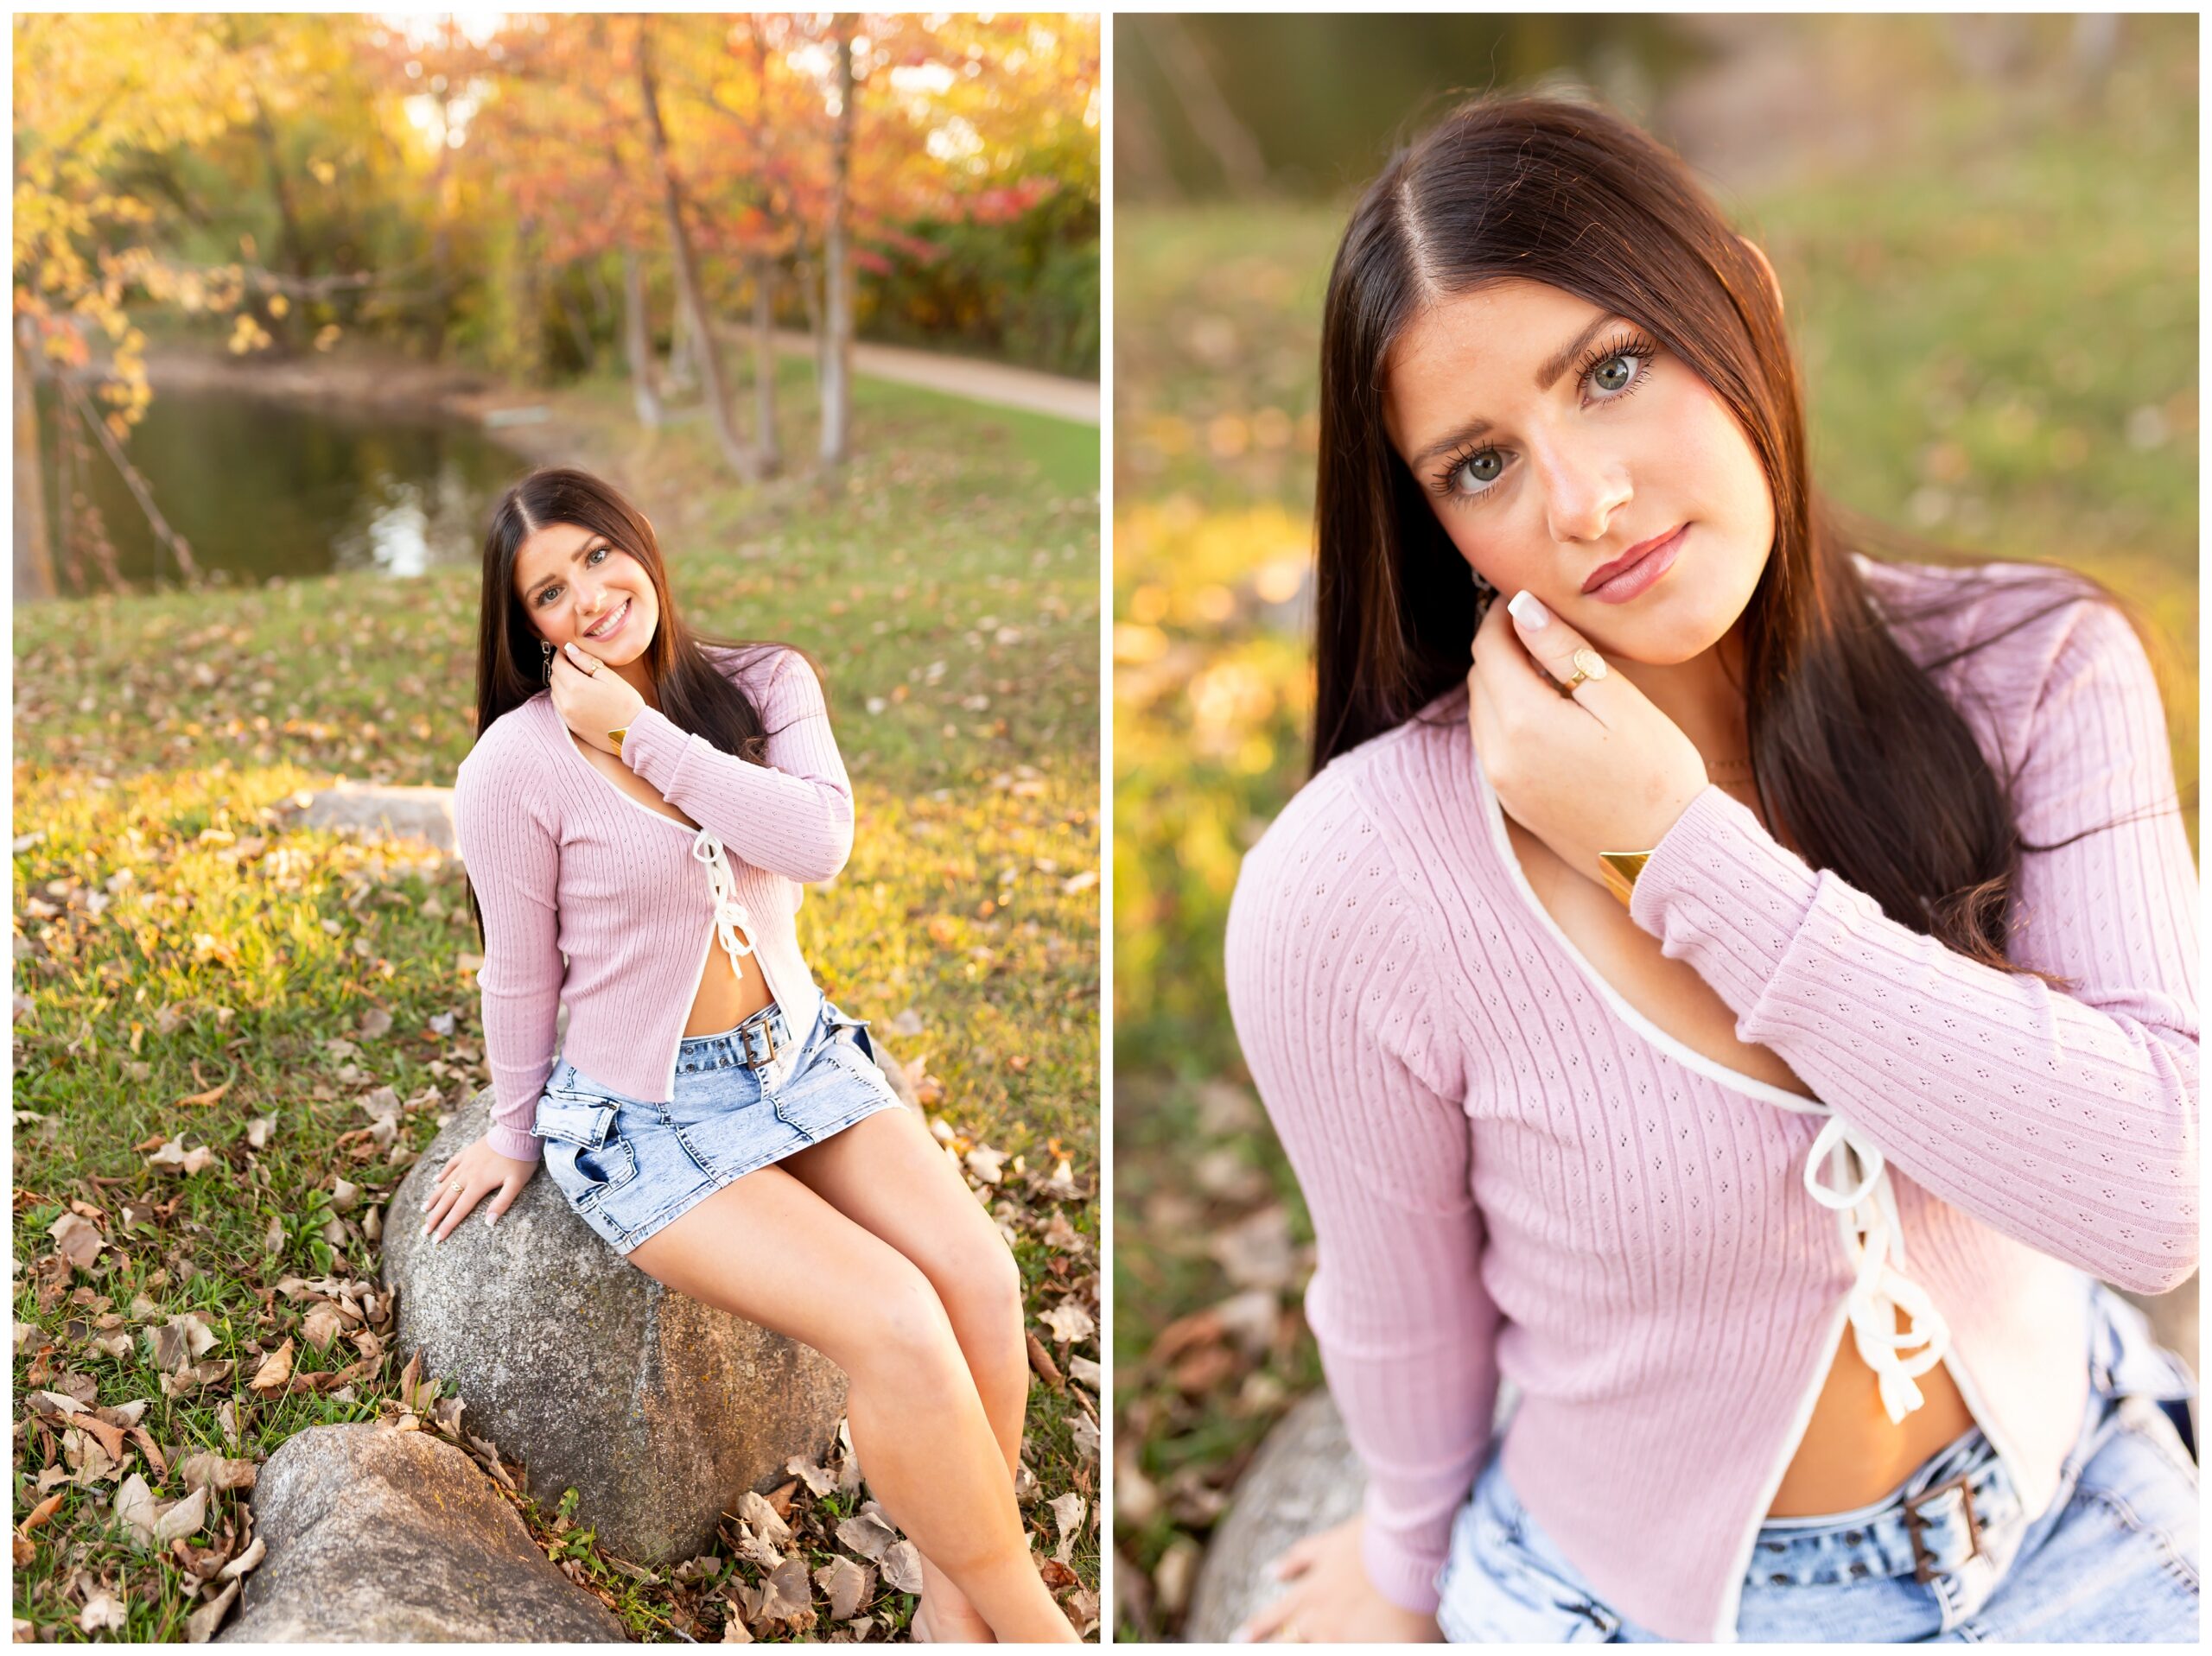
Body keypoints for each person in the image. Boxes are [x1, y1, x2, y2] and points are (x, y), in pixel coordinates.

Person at [1223, 95, 2197, 1644]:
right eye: (1481, 463)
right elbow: (1403, 1304)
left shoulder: (2035, 675)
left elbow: (2159, 1196)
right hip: (1644, 1608)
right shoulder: (1354, 882)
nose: (1582, 500)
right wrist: (1403, 1565)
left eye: (1612, 371)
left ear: (1740, 304)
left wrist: (1674, 851)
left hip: (2068, 1510)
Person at [425, 466, 1077, 1643]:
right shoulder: (511, 770)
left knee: (980, 1281)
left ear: (642, 543)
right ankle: (1029, 1623)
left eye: (598, 555)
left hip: (798, 1060)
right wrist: (511, 1134)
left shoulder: (766, 683)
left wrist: (642, 734)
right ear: (525, 628)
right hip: (649, 1116)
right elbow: (518, 971)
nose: (591, 596)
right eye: (550, 591)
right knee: (894, 1319)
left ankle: (954, 1608)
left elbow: (817, 840)